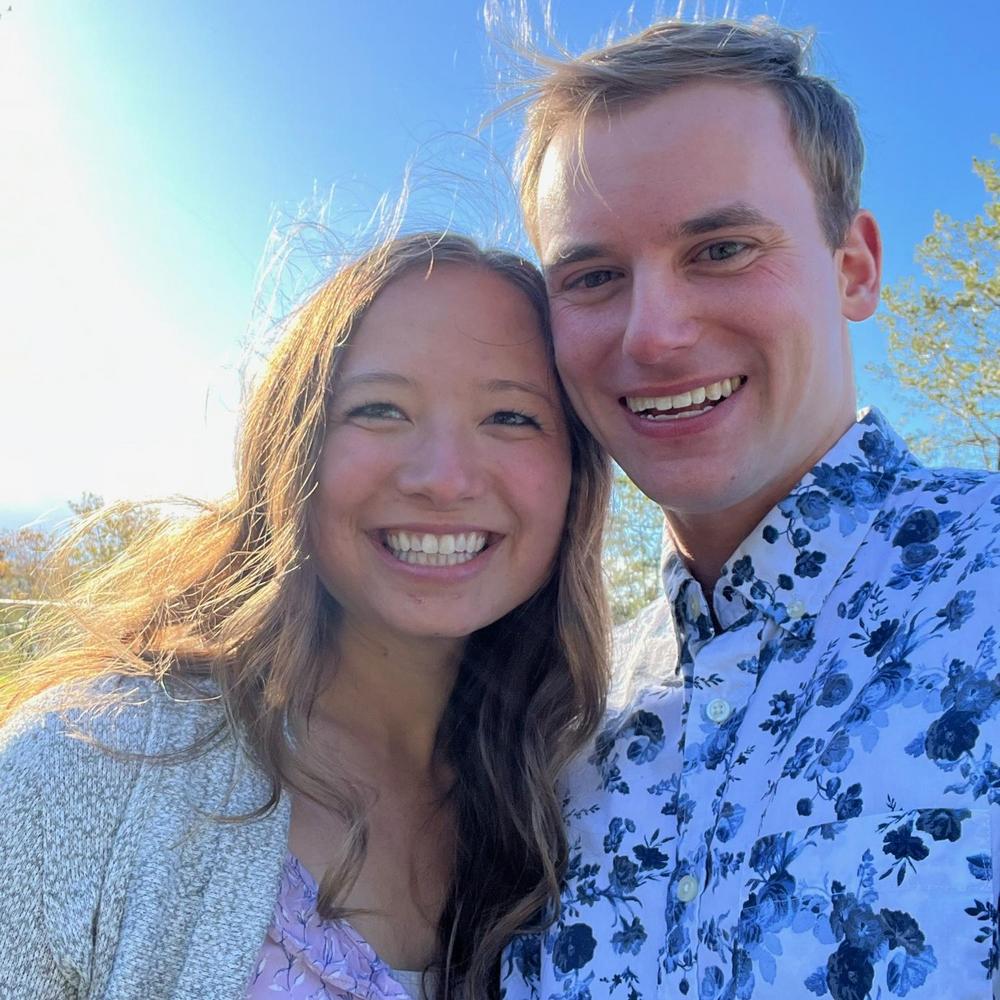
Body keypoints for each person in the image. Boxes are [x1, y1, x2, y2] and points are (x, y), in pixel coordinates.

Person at [499, 18, 1000, 1000]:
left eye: (722, 248)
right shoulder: (568, 725)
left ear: (854, 267)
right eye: (593, 277)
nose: (653, 334)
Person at [0, 232, 612, 1000]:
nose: (444, 478)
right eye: (380, 409)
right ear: (291, 454)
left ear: (576, 474)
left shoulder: (579, 795)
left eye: (511, 417)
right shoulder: (92, 767)